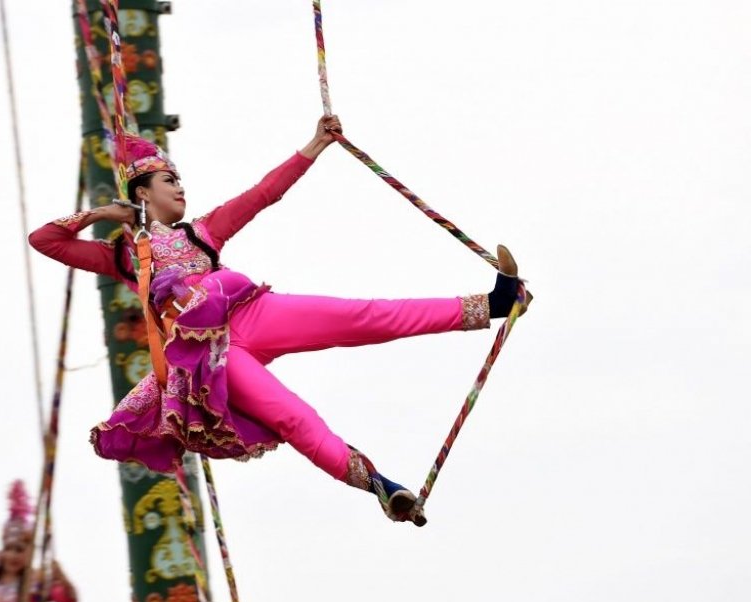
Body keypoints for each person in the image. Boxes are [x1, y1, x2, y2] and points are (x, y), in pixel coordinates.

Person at [29, 115, 529, 525]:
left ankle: (493, 303)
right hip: (212, 359)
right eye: (169, 181)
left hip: (250, 313)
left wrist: (315, 144)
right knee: (293, 419)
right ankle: (381, 486)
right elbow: (45, 241)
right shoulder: (125, 256)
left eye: (179, 179)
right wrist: (101, 215)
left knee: (365, 316)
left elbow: (265, 193)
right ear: (142, 192)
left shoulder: (203, 234)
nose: (180, 188)